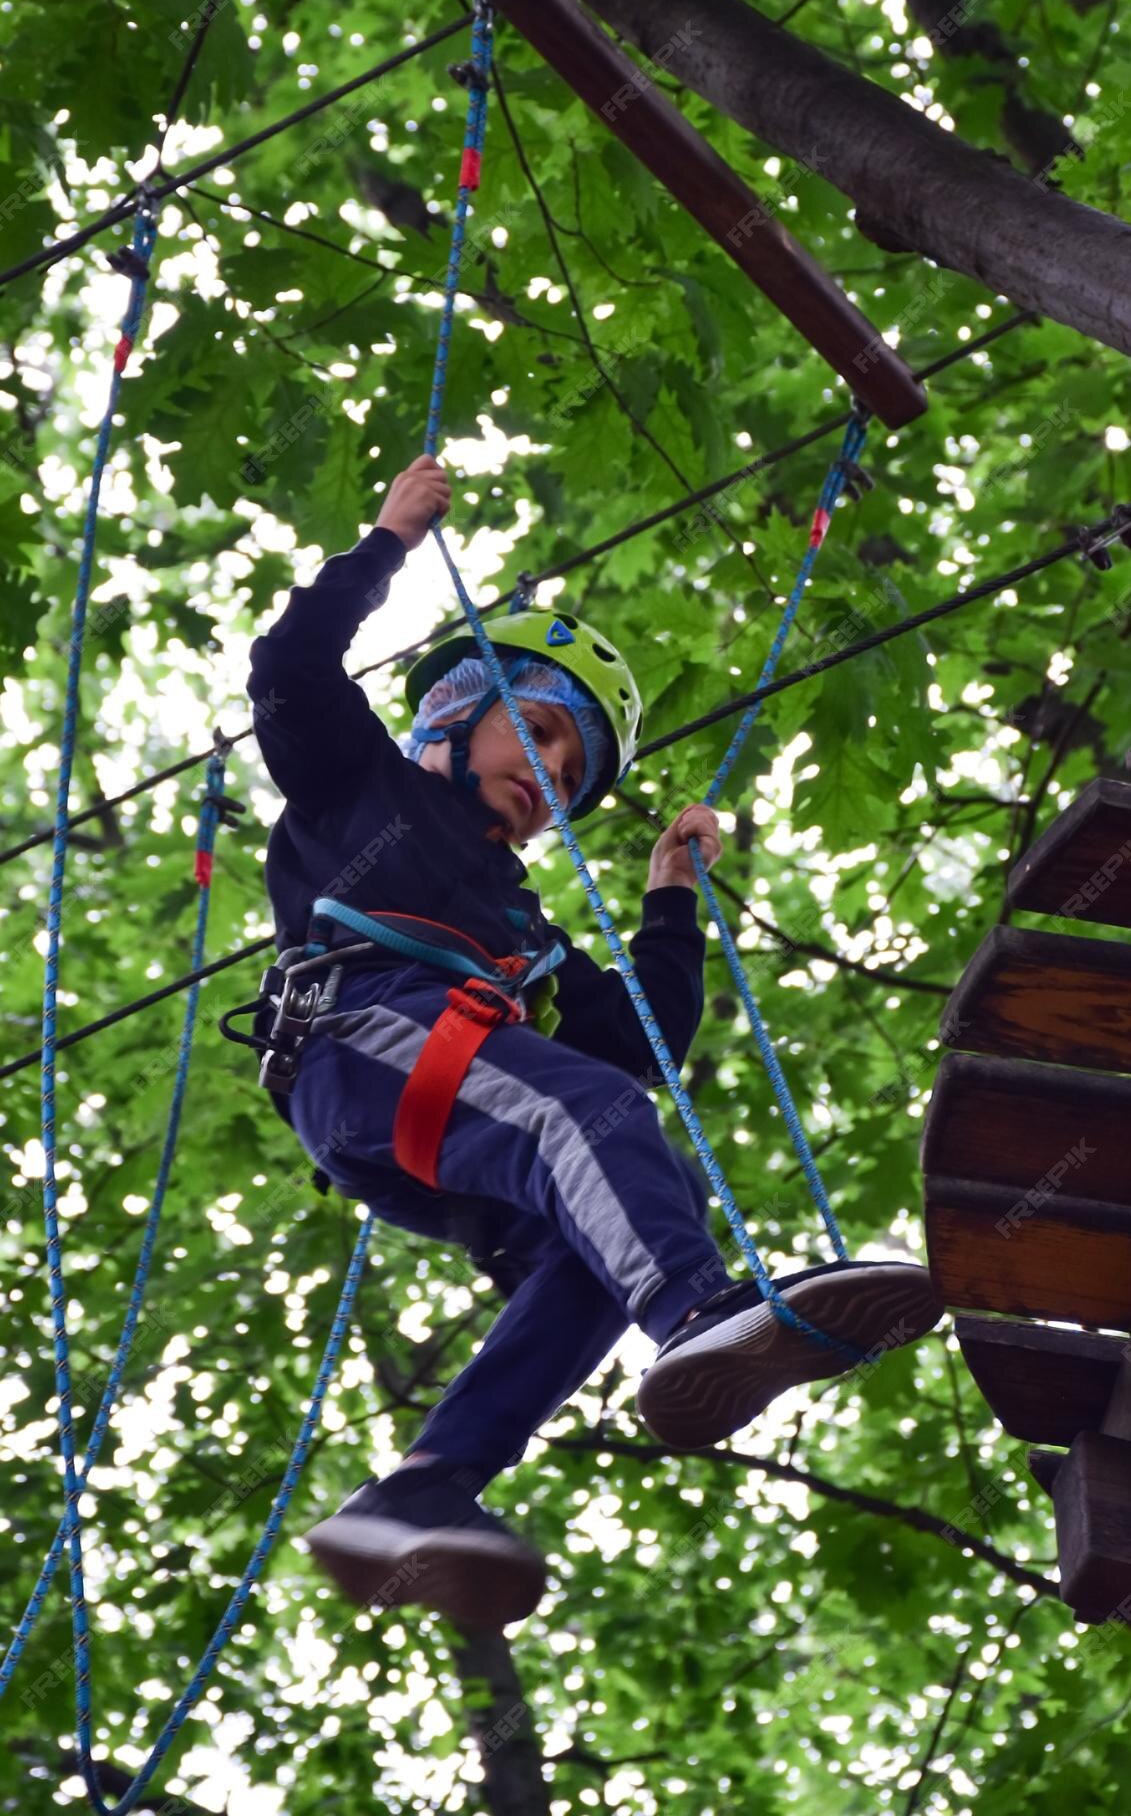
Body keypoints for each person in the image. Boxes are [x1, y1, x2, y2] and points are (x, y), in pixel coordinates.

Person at [244, 453, 943, 1628]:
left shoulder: (522, 928)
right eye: (544, 736)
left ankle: (425, 1487)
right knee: (594, 1123)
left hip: (430, 1111)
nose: (552, 781)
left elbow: (647, 1038)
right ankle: (694, 1312)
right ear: (460, 705)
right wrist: (386, 545)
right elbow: (289, 668)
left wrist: (671, 892)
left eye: (572, 778)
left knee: (606, 1217)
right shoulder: (354, 781)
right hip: (363, 1041)